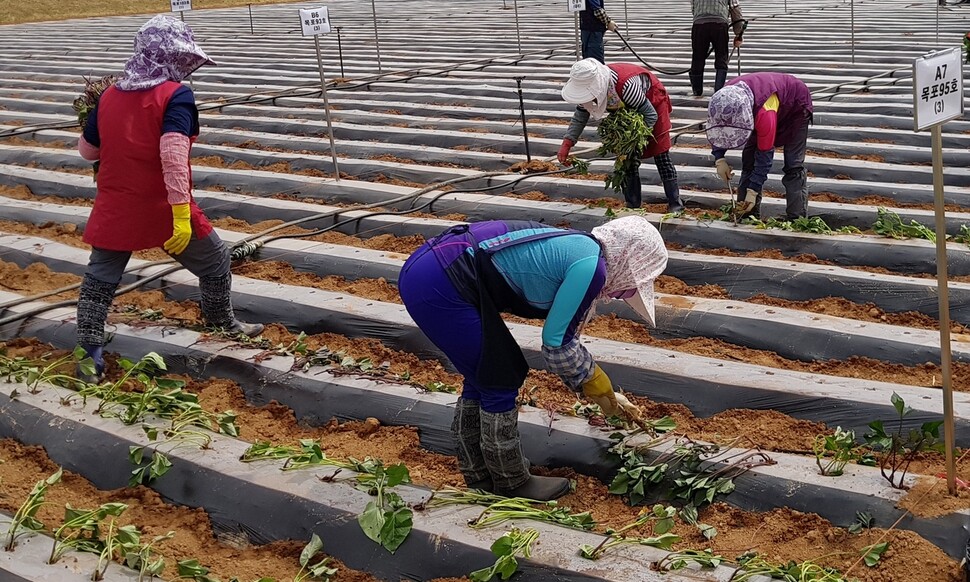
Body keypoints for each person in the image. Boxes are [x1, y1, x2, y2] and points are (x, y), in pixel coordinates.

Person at [398, 216, 666, 501]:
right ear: (628, 259)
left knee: (484, 375)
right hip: (441, 281)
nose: (620, 293)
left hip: (432, 270)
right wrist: (595, 381)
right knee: (500, 377)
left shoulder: (580, 246)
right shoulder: (591, 267)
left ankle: (479, 477)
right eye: (628, 287)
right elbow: (555, 342)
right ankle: (511, 480)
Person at [75, 15, 262, 381]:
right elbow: (173, 155)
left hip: (117, 204)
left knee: (99, 279)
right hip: (162, 203)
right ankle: (222, 323)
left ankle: (88, 356)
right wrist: (179, 212)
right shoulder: (175, 95)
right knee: (214, 261)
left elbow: (87, 151)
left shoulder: (110, 96)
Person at [557, 58, 684, 213]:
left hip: (652, 103)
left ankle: (675, 204)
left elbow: (650, 115)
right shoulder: (589, 92)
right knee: (626, 161)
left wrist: (634, 139)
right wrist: (567, 143)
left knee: (661, 156)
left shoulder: (626, 87)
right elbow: (580, 115)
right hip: (626, 112)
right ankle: (633, 206)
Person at [706, 72, 813, 219]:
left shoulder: (764, 113)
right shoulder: (724, 99)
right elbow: (720, 127)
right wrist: (719, 158)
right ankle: (746, 213)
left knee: (793, 164)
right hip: (760, 106)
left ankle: (797, 217)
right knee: (748, 161)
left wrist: (753, 191)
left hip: (795, 107)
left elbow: (765, 156)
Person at [689, 0, 745, 97]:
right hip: (719, 24)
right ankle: (718, 91)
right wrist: (738, 33)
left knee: (697, 58)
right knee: (721, 58)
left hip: (699, 25)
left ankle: (697, 91)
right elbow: (735, 8)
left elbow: (693, 8)